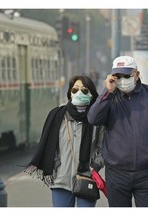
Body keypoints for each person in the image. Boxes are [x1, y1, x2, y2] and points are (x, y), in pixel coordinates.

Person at [87, 56, 148, 207]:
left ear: (137, 74)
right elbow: (93, 119)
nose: (122, 80)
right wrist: (107, 92)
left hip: (147, 172)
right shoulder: (109, 98)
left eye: (126, 76)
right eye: (118, 76)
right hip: (116, 173)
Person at [24, 75, 105, 207]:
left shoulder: (97, 120)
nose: (79, 93)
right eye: (75, 90)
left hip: (87, 179)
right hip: (61, 181)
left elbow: (104, 149)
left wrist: (95, 166)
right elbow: (49, 146)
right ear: (70, 94)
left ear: (91, 94)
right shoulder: (57, 116)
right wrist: (56, 165)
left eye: (84, 90)